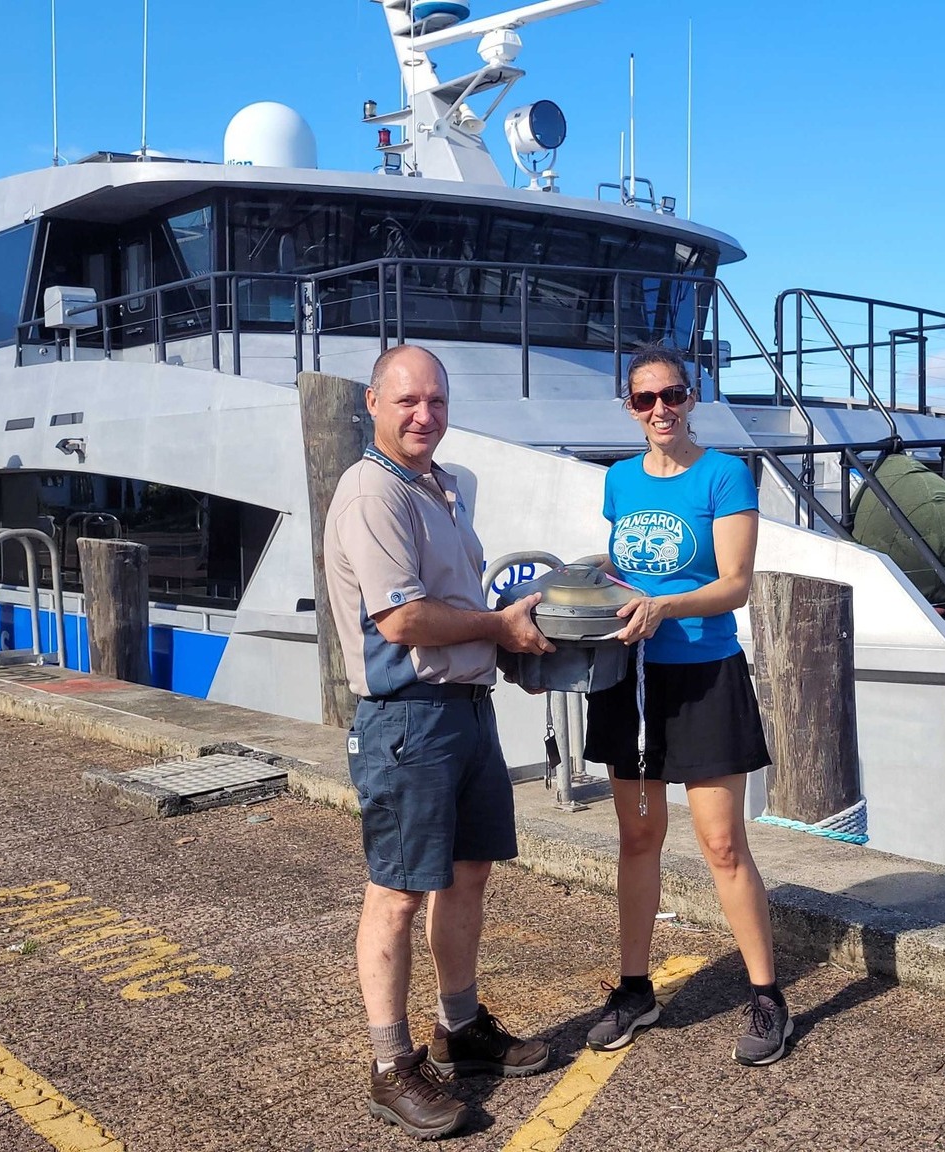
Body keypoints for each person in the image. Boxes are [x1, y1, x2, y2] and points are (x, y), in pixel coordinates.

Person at [323, 344, 557, 1140]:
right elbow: (403, 619)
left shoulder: (441, 488)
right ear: (372, 403)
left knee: (468, 875)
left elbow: (452, 599)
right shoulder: (370, 492)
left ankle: (460, 1031)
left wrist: (524, 612)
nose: (424, 415)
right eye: (407, 401)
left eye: (437, 402)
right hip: (407, 719)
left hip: (463, 710)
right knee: (396, 892)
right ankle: (391, 1066)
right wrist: (502, 626)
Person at [582, 344, 791, 1067]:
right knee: (637, 839)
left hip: (704, 674)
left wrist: (664, 605)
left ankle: (767, 996)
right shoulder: (619, 480)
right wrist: (587, 594)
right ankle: (635, 989)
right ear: (630, 408)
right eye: (645, 399)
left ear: (691, 395)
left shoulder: (724, 475)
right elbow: (619, 567)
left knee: (722, 843)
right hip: (629, 675)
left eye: (671, 394)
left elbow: (735, 583)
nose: (660, 409)